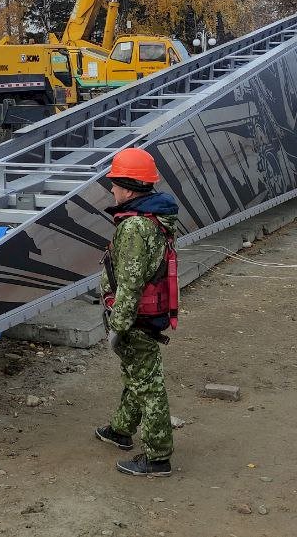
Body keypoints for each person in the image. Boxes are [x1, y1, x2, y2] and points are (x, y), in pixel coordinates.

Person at [95, 146, 181, 478]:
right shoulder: (155, 218)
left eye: (115, 183)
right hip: (147, 317)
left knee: (147, 382)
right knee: (138, 373)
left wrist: (117, 327)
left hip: (136, 320)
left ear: (129, 187)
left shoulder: (133, 228)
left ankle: (159, 456)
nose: (112, 189)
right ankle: (120, 429)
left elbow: (129, 284)